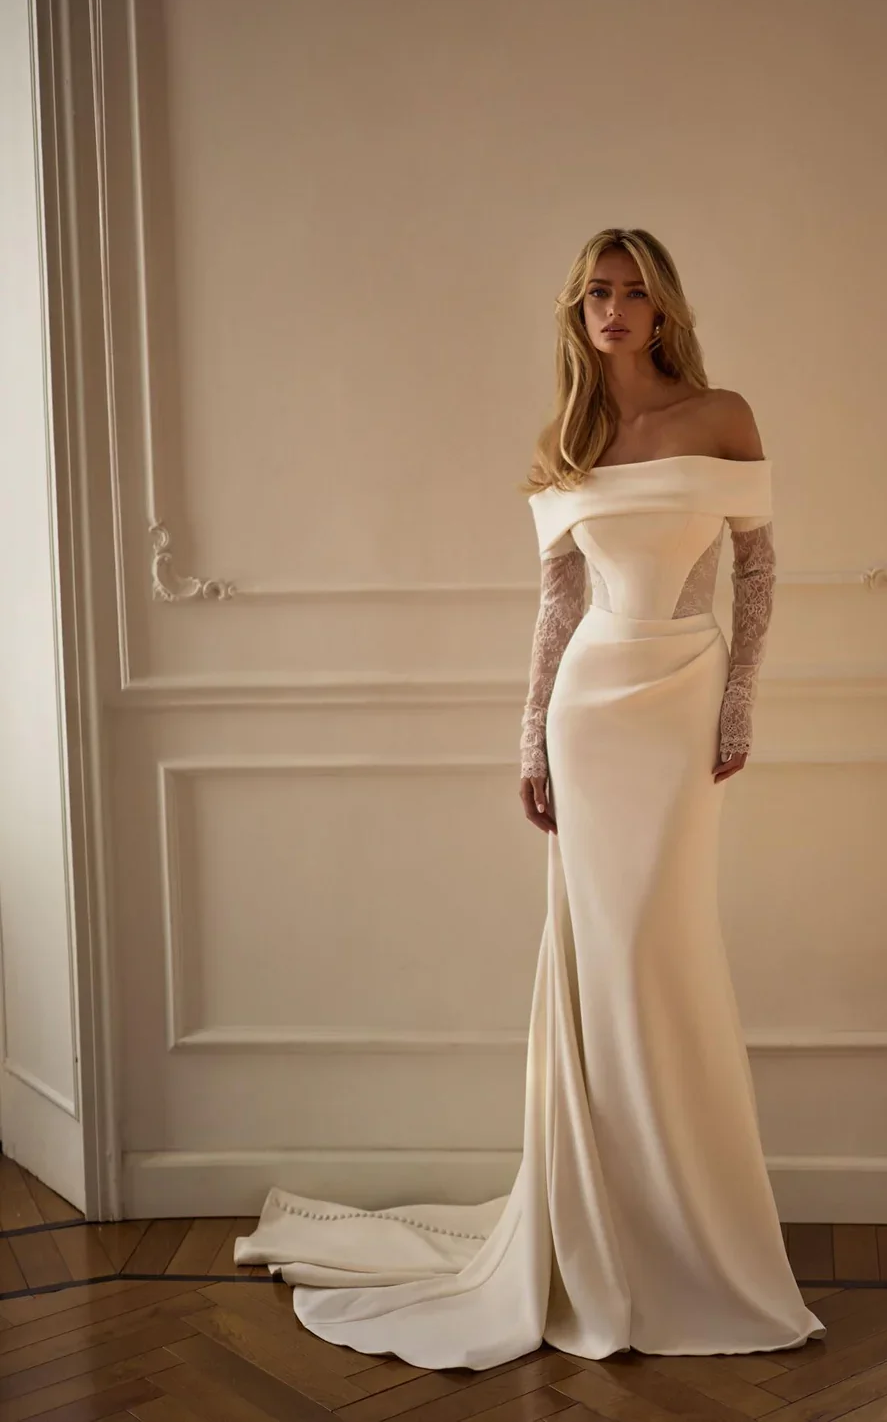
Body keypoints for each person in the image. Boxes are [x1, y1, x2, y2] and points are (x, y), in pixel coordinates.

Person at [234, 228, 827, 1368]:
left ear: (662, 309)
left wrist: (739, 698)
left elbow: (755, 566)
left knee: (664, 952)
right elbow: (556, 604)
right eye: (596, 292)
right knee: (600, 959)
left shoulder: (722, 413)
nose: (614, 308)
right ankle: (600, 1232)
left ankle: (681, 1231)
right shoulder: (569, 436)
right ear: (577, 309)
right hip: (590, 707)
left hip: (681, 692)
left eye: (633, 292)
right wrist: (529, 739)